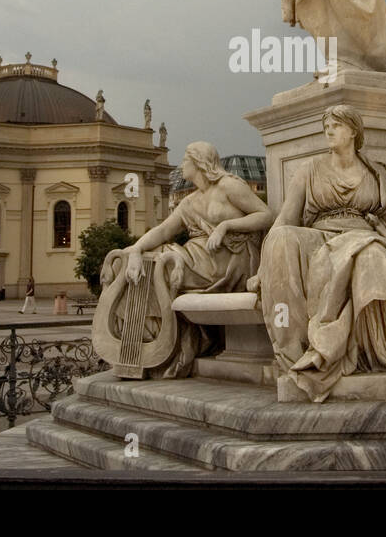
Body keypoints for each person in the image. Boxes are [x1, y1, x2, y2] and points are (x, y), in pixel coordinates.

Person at [249, 105, 386, 402]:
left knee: (370, 253)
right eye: (326, 126)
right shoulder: (310, 170)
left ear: (354, 131)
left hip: (362, 234)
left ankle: (362, 357)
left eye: (336, 125)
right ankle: (296, 351)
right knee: (281, 237)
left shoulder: (378, 173)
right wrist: (262, 269)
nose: (329, 131)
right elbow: (285, 219)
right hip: (319, 237)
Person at [99, 142, 274, 378]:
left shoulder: (229, 186)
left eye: (185, 160)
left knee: (161, 264)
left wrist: (225, 226)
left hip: (230, 259)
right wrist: (135, 250)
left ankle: (158, 344)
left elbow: (266, 215)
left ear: (199, 162)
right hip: (197, 256)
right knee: (140, 262)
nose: (182, 165)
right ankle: (145, 343)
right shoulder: (189, 201)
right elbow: (162, 231)